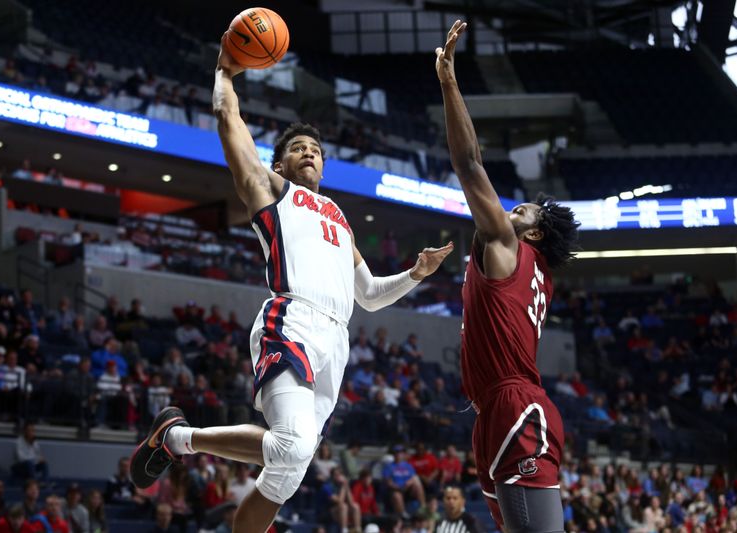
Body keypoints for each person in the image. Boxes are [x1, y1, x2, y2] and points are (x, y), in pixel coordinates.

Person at [130, 30, 453, 533]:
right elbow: (228, 119)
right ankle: (177, 438)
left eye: (316, 149)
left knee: (287, 474)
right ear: (280, 163)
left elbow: (366, 296)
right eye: (299, 149)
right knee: (291, 445)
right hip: (292, 319)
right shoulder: (272, 190)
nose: (310, 153)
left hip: (337, 339)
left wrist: (415, 273)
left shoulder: (339, 217)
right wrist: (224, 73)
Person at [436, 21, 579, 532]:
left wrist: (449, 80)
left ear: (534, 236)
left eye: (528, 212)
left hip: (514, 403)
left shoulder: (507, 246)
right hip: (497, 407)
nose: (516, 208)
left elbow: (469, 163)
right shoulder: (536, 272)